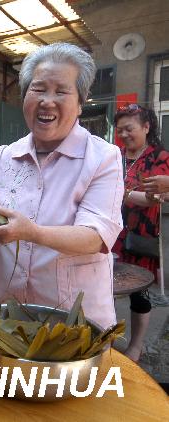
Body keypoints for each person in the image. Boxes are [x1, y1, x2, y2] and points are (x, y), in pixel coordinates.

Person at [0, 42, 124, 330]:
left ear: (80, 103)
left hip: (72, 319)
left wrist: (31, 232)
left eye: (61, 91)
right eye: (38, 89)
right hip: (8, 311)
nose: (47, 101)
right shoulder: (5, 156)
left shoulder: (103, 157)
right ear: (24, 96)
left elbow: (96, 237)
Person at [112, 104, 169, 362]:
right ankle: (105, 337)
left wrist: (121, 193)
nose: (123, 135)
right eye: (120, 130)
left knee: (139, 293)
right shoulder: (115, 155)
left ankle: (136, 345)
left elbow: (154, 197)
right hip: (112, 233)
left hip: (140, 235)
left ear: (146, 127)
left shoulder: (159, 157)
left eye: (129, 129)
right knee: (105, 288)